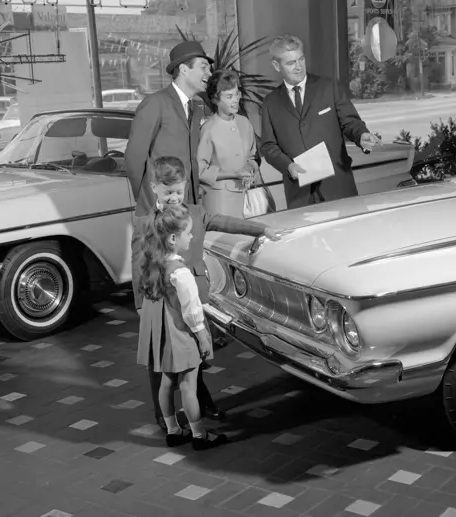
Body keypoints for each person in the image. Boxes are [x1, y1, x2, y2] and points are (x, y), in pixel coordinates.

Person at [132, 156, 288, 431]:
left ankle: (201, 403)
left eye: (179, 192)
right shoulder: (145, 222)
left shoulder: (195, 212)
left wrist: (261, 228)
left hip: (192, 296)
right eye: (169, 193)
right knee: (161, 362)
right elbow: (138, 266)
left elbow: (225, 222)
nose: (175, 198)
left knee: (194, 356)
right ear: (155, 188)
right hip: (161, 304)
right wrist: (141, 306)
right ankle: (164, 415)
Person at [136, 203, 226, 450]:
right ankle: (199, 436)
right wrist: (204, 337)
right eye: (189, 233)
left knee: (166, 383)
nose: (192, 236)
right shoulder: (181, 272)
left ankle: (173, 430)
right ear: (174, 238)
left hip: (166, 334)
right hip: (183, 336)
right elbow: (192, 310)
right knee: (189, 386)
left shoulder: (157, 265)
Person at [260, 34, 381, 210]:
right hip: (299, 195)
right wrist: (288, 166)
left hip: (338, 187)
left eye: (301, 59)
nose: (298, 67)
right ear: (276, 66)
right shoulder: (271, 103)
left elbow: (350, 122)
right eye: (291, 63)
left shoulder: (328, 87)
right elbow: (268, 146)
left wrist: (361, 135)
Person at [125, 40, 213, 216]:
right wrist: (146, 197)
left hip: (189, 204)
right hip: (160, 207)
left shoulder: (196, 108)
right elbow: (134, 157)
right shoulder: (155, 103)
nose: (209, 73)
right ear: (183, 69)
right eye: (203, 67)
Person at [198, 69, 260, 310]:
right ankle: (219, 314)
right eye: (228, 96)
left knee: (244, 256)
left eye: (237, 94)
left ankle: (245, 310)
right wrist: (232, 173)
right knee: (221, 261)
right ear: (215, 99)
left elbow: (254, 156)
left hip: (244, 199)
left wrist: (249, 168)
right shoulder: (208, 129)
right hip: (219, 201)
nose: (235, 100)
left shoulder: (245, 123)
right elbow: (200, 170)